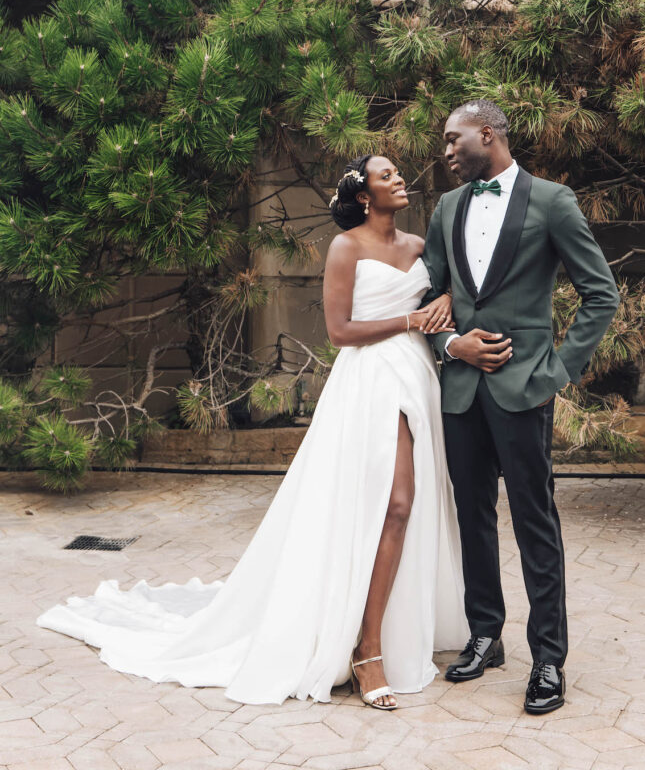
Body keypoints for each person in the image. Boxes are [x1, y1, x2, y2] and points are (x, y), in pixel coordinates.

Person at [38, 154, 468, 708]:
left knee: (406, 504)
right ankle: (366, 651)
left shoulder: (416, 247)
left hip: (415, 375)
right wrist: (411, 319)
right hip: (369, 381)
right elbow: (339, 332)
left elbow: (452, 288)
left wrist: (448, 298)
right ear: (364, 195)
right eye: (386, 175)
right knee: (393, 503)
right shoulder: (347, 248)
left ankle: (391, 626)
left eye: (396, 173)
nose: (399, 179)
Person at [422, 99, 620, 715]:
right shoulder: (446, 207)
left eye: (455, 139)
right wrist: (450, 342)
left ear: (489, 134)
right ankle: (485, 634)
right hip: (460, 391)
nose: (447, 150)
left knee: (535, 517)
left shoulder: (553, 201)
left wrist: (556, 371)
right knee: (472, 514)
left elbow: (600, 295)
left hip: (524, 387)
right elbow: (428, 292)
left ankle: (549, 658)